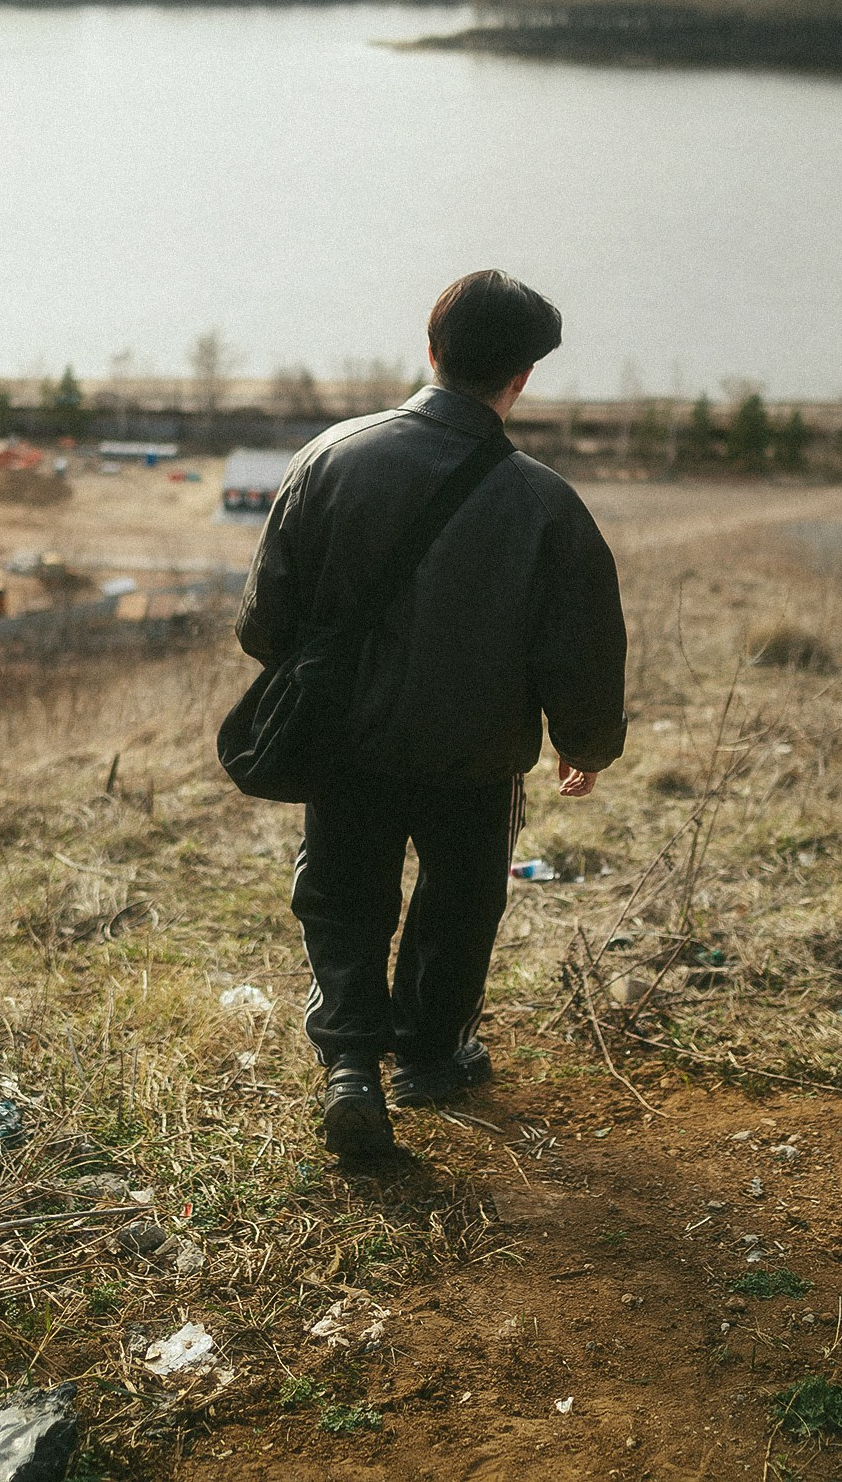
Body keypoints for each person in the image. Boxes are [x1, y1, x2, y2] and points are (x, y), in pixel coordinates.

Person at [236, 270, 627, 1161]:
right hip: (476, 758)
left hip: (349, 747)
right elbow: (583, 646)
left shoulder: (330, 458)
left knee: (342, 897)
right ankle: (429, 1056)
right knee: (460, 903)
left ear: (431, 349)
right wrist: (586, 743)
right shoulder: (546, 502)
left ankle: (349, 1070)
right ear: (522, 376)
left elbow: (264, 623)